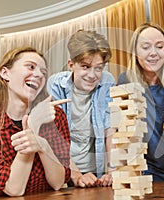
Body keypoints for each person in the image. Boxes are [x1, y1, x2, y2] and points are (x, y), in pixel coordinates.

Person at [0, 47, 71, 199]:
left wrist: (43, 146)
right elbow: (13, 190)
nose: (39, 75)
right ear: (5, 73)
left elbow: (58, 183)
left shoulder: (56, 117)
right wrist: (31, 133)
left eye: (43, 72)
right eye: (31, 67)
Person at [47, 30, 115, 187]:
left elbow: (109, 128)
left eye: (99, 68)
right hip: (64, 169)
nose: (93, 75)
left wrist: (111, 172)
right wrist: (75, 174)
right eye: (86, 66)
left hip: (95, 171)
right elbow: (54, 136)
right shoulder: (56, 85)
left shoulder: (107, 81)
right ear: (71, 65)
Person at [117, 22, 164, 181]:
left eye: (159, 47)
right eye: (146, 47)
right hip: (144, 171)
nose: (153, 53)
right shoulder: (125, 80)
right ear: (135, 52)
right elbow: (123, 129)